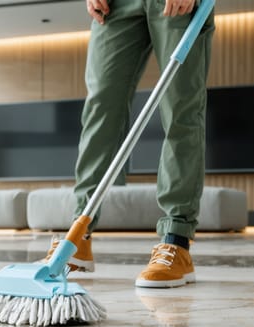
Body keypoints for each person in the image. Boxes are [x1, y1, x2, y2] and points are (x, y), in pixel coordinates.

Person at [45, 0, 215, 288]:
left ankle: (176, 240)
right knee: (101, 106)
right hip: (115, 5)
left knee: (180, 108)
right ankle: (78, 237)